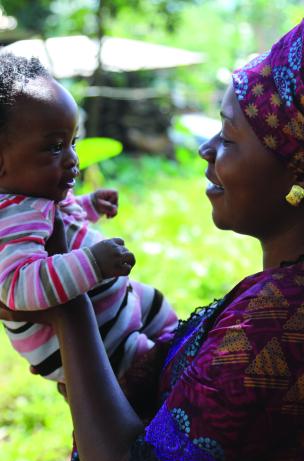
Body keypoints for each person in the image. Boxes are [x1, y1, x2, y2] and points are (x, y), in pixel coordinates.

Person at [1, 18, 304, 461]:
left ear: (300, 170)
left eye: (227, 136)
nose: (205, 149)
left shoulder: (287, 330)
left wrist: (70, 310)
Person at [0, 53, 177, 382]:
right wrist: (93, 263)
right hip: (95, 343)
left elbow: (61, 222)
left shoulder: (35, 197)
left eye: (72, 143)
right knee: (148, 366)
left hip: (109, 310)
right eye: (54, 147)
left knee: (157, 307)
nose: (72, 159)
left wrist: (89, 205)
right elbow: (18, 286)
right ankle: (170, 383)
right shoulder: (11, 216)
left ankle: (180, 351)